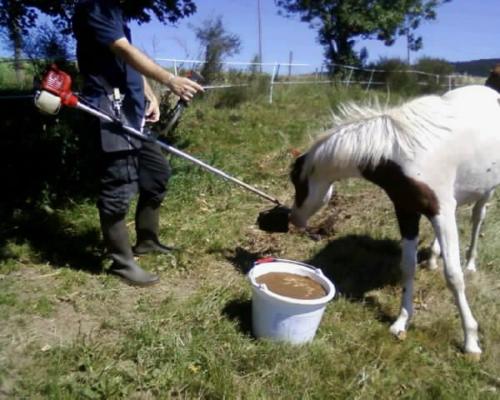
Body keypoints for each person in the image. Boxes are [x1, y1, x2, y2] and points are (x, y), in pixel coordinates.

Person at [72, 0, 203, 286]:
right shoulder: (96, 8)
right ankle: (122, 263)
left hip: (132, 113)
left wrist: (150, 94)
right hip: (108, 112)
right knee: (117, 189)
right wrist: (170, 79)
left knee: (157, 173)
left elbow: (126, 62)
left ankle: (147, 240)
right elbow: (123, 49)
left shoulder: (115, 13)